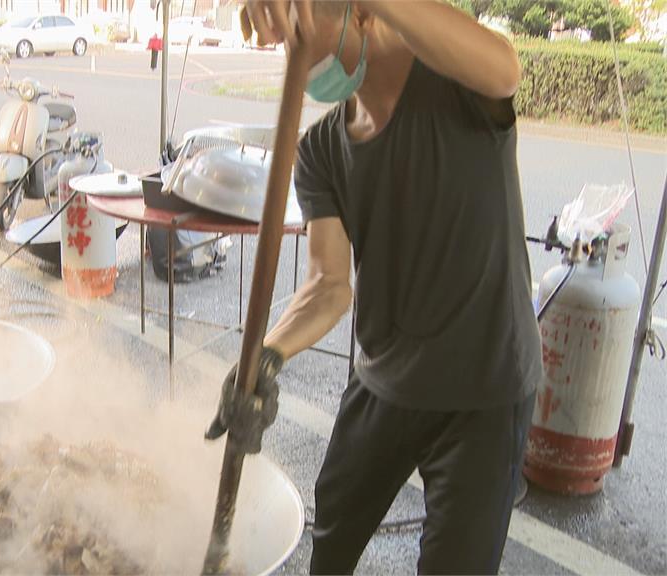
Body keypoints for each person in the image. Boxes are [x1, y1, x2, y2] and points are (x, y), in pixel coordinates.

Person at [206, 2, 541, 574]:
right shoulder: (321, 149)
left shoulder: (453, 83)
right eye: (290, 44)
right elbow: (328, 285)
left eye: (304, 32)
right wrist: (267, 354)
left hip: (483, 388)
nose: (299, 55)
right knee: (332, 536)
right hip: (385, 377)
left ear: (360, 15)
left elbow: (505, 68)